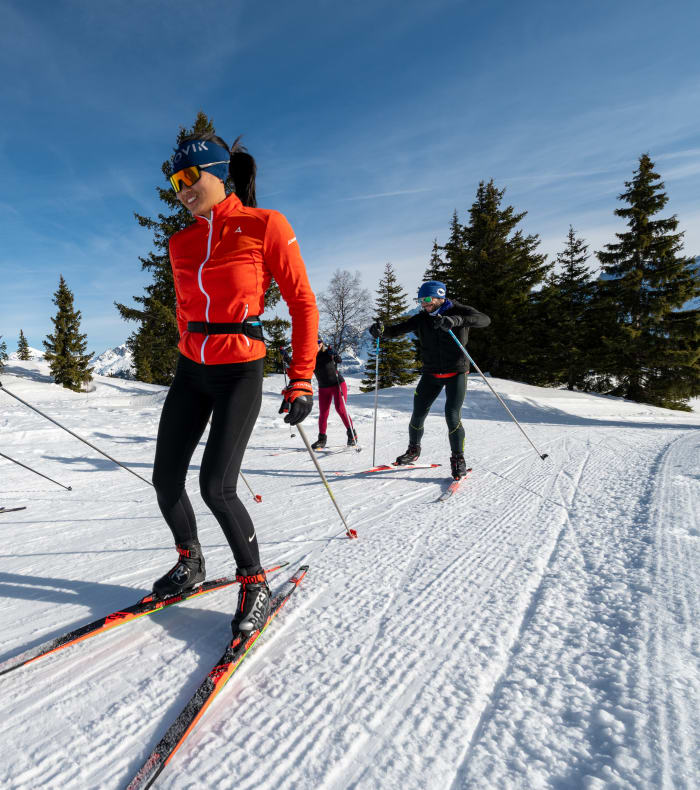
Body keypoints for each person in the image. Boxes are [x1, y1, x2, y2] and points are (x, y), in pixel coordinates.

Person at [151, 132, 318, 636]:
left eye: (188, 177)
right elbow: (184, 308)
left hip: (240, 369)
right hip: (191, 369)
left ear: (218, 172)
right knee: (164, 480)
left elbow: (302, 303)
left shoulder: (264, 225)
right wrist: (187, 346)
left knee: (215, 486)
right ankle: (191, 561)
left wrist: (301, 378)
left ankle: (254, 581)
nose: (180, 189)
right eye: (173, 181)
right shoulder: (180, 241)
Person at [369, 280, 489, 480]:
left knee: (452, 415)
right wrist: (381, 331)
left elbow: (484, 320)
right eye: (420, 300)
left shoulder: (458, 310)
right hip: (431, 373)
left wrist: (456, 321)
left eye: (426, 300)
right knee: (417, 413)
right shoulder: (422, 318)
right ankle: (413, 450)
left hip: (456, 373)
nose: (423, 304)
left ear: (439, 296)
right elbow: (397, 330)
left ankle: (458, 459)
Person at [311, 337, 357, 449]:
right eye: (314, 342)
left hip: (337, 384)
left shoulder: (327, 353)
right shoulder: (310, 357)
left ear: (322, 343)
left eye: (319, 342)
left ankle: (352, 435)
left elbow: (339, 360)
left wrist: (334, 354)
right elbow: (297, 364)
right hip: (323, 388)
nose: (317, 344)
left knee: (340, 408)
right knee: (323, 413)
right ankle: (322, 439)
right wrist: (286, 357)